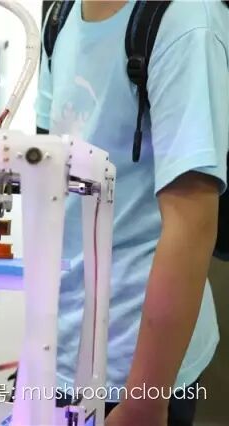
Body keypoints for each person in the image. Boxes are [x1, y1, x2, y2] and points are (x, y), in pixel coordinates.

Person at [35, 1, 228, 425]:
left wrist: (143, 401)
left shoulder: (185, 20)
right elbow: (51, 181)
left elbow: (192, 222)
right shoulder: (60, 17)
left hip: (136, 368)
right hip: (60, 351)